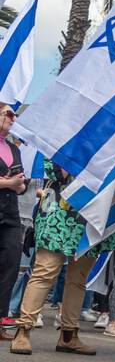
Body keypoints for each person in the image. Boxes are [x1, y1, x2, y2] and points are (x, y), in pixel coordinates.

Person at [9, 156, 115, 357]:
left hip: (90, 212)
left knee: (78, 279)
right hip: (56, 209)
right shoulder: (66, 134)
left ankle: (69, 335)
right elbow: (55, 171)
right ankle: (23, 330)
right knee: (45, 271)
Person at [0, 105, 30, 337]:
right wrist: (8, 183)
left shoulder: (13, 147)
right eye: (8, 114)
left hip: (10, 213)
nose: (12, 119)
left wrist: (18, 185)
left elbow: (20, 184)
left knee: (10, 262)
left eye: (13, 115)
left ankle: (1, 316)